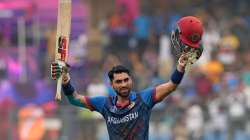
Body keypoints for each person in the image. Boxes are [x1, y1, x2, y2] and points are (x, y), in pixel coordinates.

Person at [50, 16, 204, 140]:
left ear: (131, 81)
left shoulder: (144, 99)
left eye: (126, 80)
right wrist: (65, 78)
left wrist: (181, 66)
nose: (123, 84)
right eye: (119, 81)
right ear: (112, 85)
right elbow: (74, 99)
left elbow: (172, 85)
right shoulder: (105, 104)